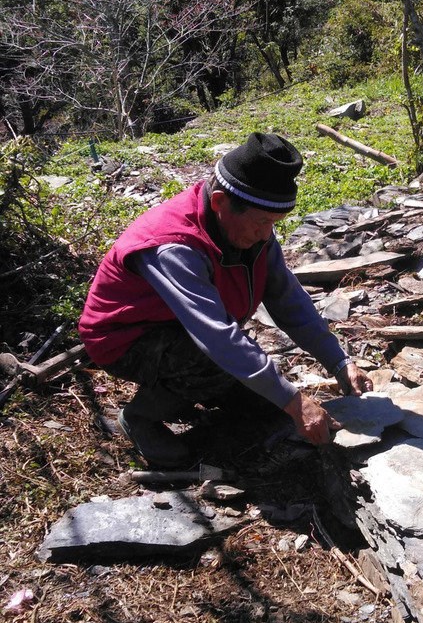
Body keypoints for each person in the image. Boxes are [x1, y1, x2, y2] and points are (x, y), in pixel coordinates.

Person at [78, 131, 372, 467]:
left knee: (262, 404)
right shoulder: (174, 245)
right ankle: (141, 416)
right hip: (125, 339)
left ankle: (194, 391)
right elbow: (217, 337)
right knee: (223, 367)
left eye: (273, 224)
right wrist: (295, 401)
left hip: (183, 328)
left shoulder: (249, 229)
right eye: (262, 223)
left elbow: (286, 298)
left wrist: (338, 361)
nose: (267, 235)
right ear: (219, 203)